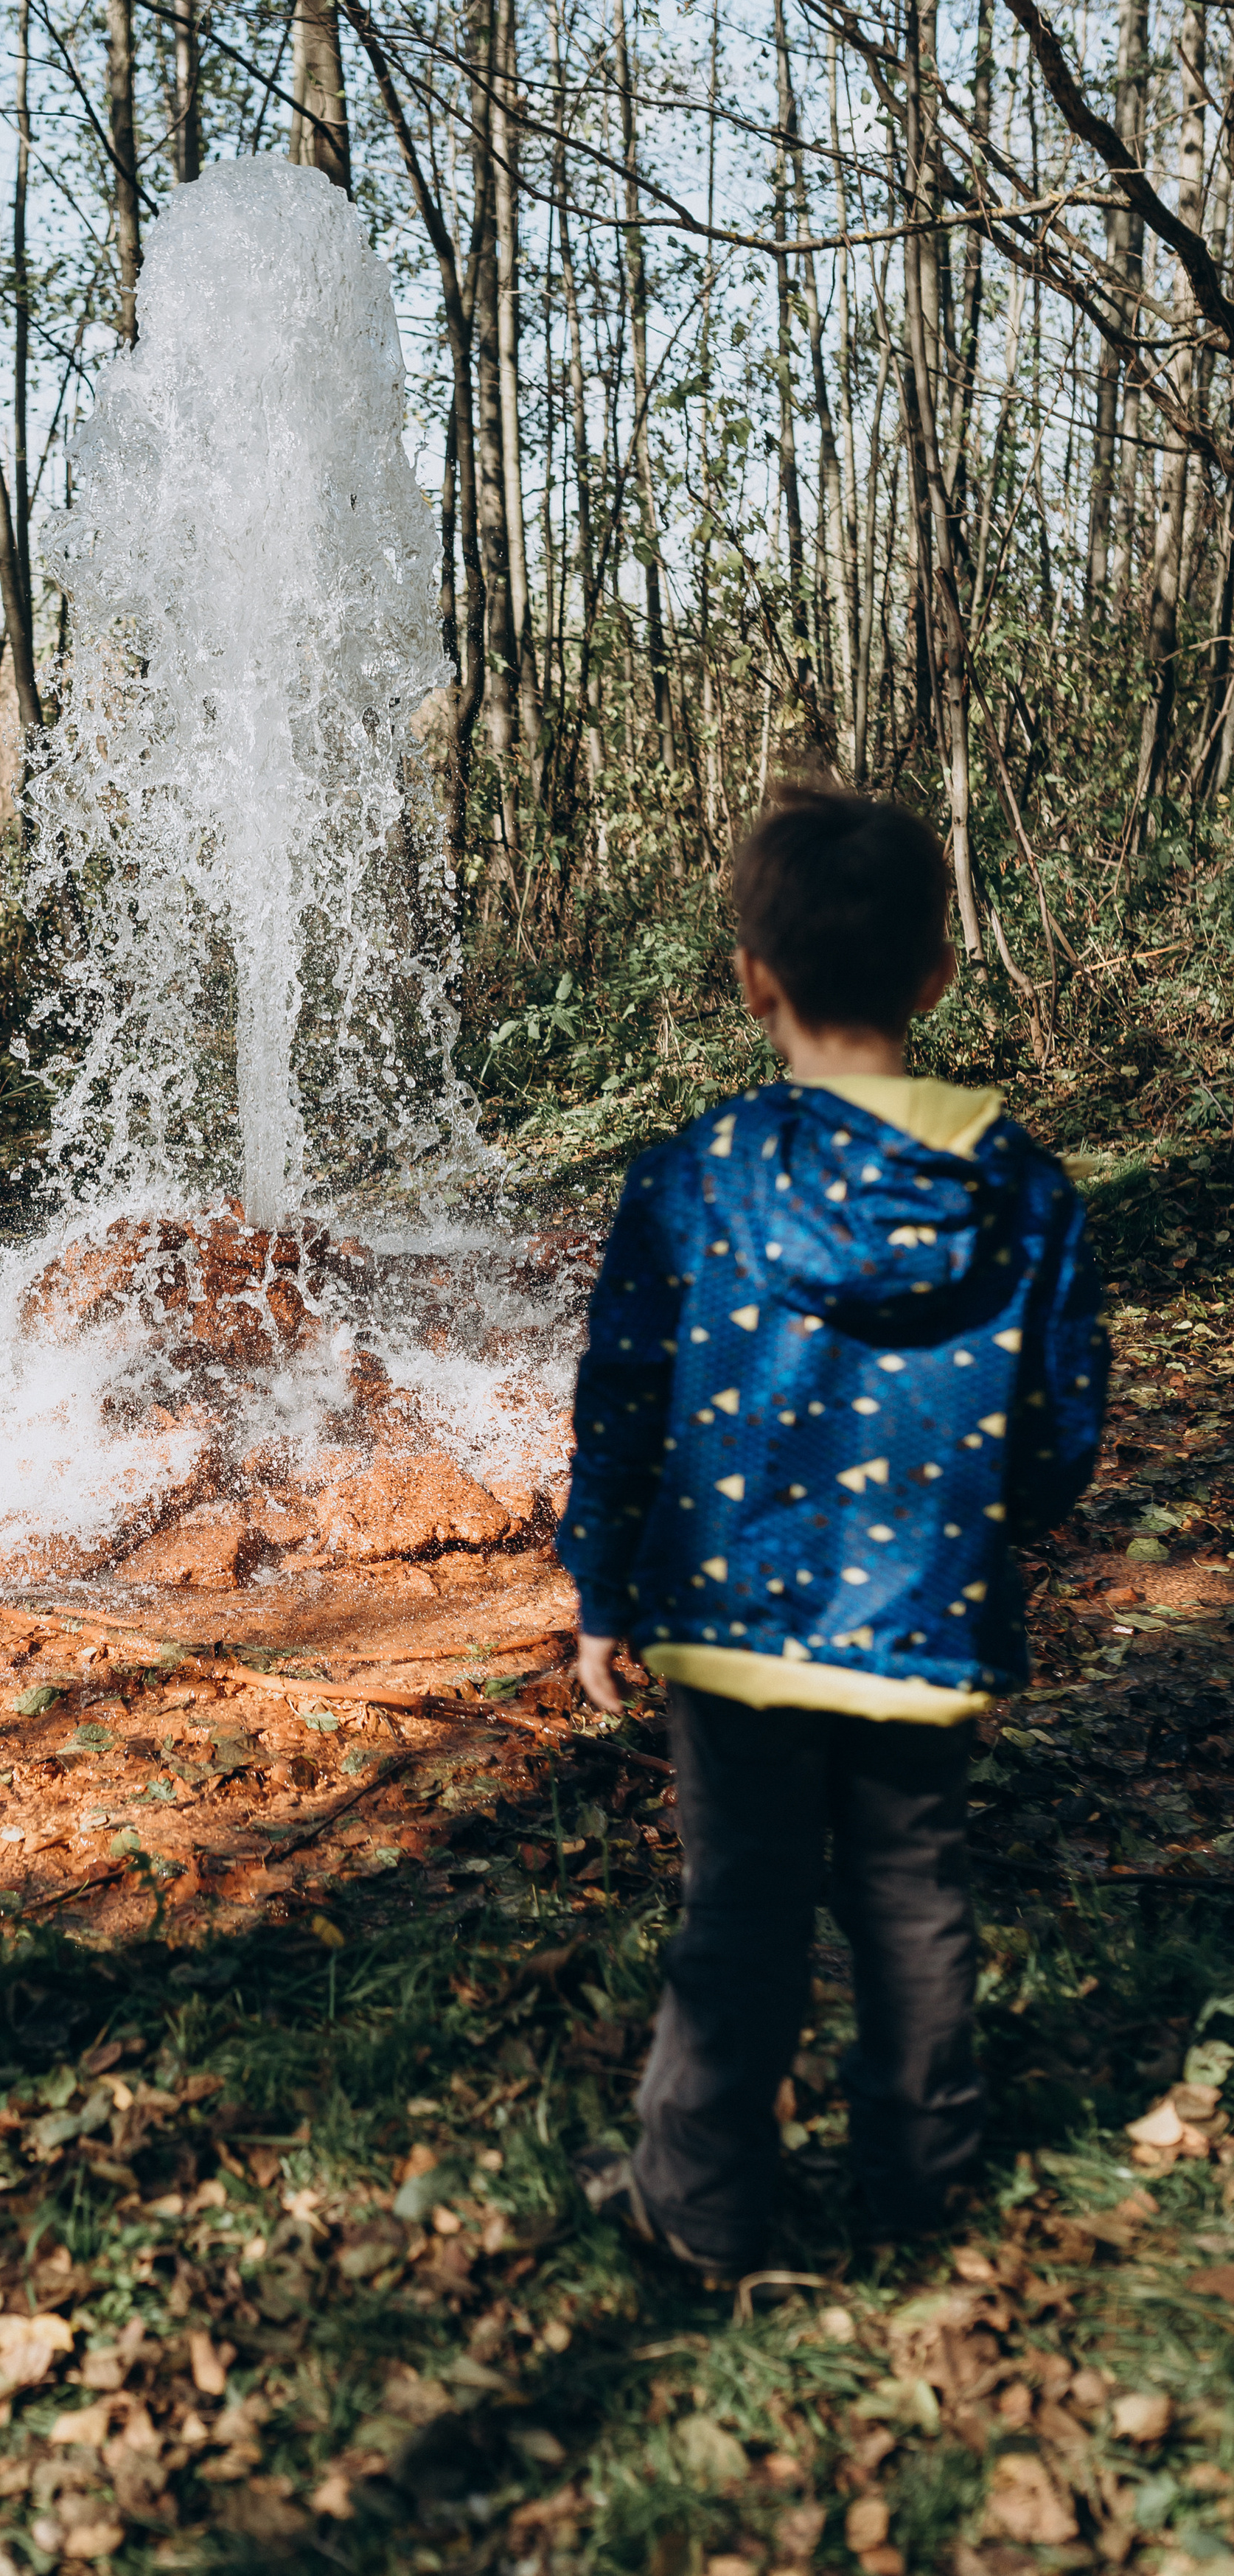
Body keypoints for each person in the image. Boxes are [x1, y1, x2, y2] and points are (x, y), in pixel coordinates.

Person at [555, 780, 1109, 2280]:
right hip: (926, 1613)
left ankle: (701, 2199)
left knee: (737, 1903)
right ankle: (914, 2194)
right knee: (911, 1895)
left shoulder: (695, 1175)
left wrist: (597, 1581)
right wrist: (993, 1528)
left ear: (752, 981)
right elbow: (1059, 1418)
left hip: (730, 1623)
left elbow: (622, 1392)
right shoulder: (1020, 1190)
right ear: (936, 972)